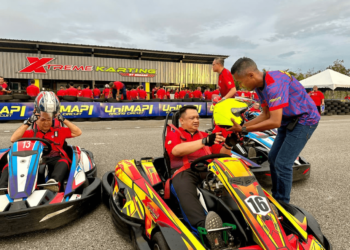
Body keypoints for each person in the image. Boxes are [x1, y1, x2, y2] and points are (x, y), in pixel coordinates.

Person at [230, 57, 320, 203]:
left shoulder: (274, 83)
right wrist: (242, 127)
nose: (240, 86)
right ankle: (276, 196)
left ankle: (283, 204)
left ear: (251, 75)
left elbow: (274, 121)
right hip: (288, 120)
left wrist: (244, 129)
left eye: (240, 81)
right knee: (273, 158)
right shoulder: (260, 87)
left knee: (283, 163)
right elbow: (265, 115)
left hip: (305, 120)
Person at [166, 106, 233, 248]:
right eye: (192, 118)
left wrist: (229, 144)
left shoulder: (205, 135)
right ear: (182, 120)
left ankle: (252, 217)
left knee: (235, 179)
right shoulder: (174, 134)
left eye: (197, 117)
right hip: (184, 172)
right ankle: (207, 230)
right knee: (184, 190)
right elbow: (176, 150)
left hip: (208, 170)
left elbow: (222, 154)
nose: (196, 120)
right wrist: (204, 141)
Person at [0, 92, 82, 193]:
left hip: (54, 160)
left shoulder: (59, 131)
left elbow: (78, 132)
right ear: (37, 120)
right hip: (34, 160)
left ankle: (53, 183)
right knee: (10, 164)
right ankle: (3, 187)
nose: (46, 122)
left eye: (49, 120)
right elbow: (13, 139)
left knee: (64, 161)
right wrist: (28, 121)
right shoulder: (31, 133)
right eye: (43, 120)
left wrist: (63, 119)